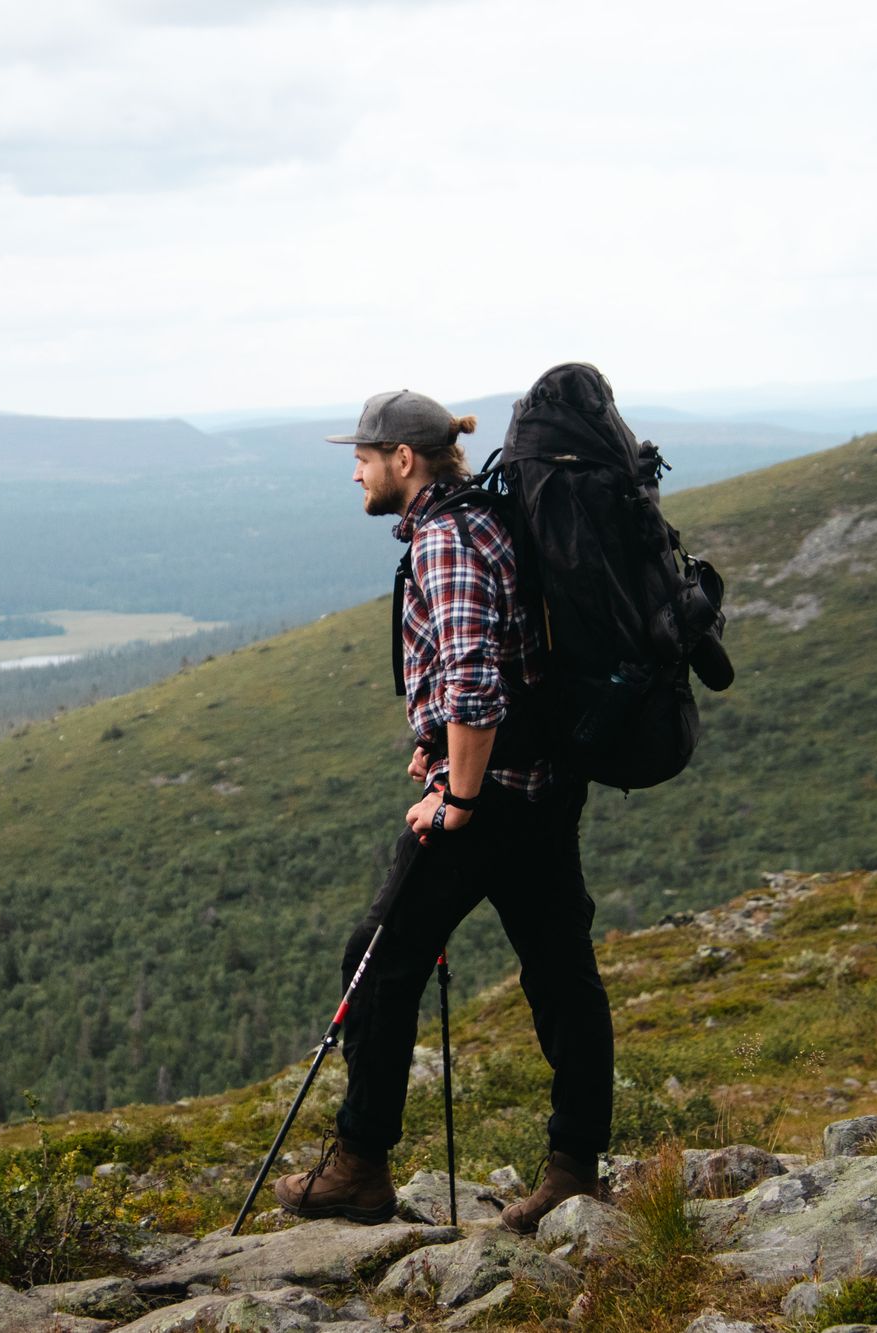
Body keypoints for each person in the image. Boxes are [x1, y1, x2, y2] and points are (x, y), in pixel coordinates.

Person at [271, 388, 616, 1233]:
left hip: (490, 799)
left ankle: (361, 1166)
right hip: (542, 787)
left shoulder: (447, 541)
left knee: (378, 958)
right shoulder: (487, 519)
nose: (354, 467)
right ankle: (574, 1167)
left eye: (364, 454)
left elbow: (473, 681)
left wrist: (456, 796)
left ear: (404, 459)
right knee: (562, 972)